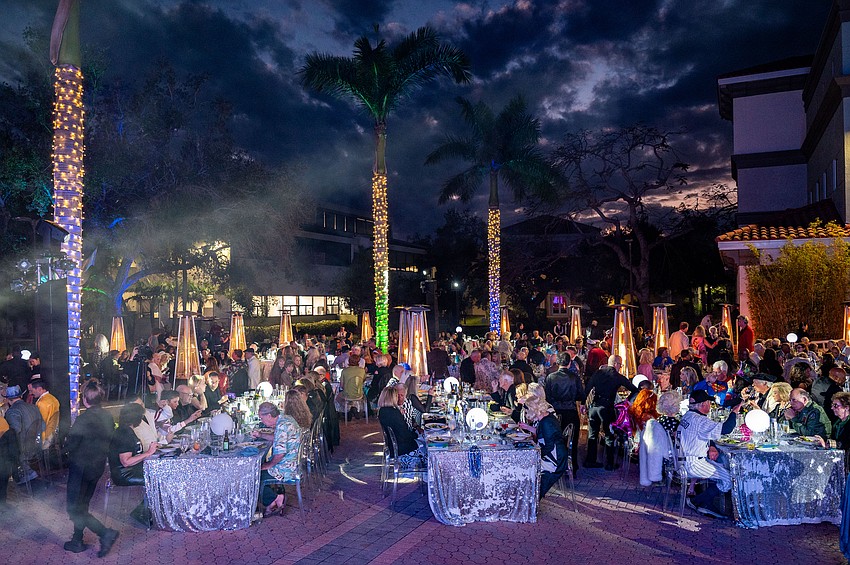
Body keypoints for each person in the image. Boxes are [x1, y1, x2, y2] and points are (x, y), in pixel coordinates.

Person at [64, 380, 119, 557]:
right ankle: (77, 540)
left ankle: (104, 533)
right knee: (82, 505)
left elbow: (71, 444)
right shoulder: (107, 416)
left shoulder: (84, 419)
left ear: (85, 399)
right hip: (97, 466)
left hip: (81, 467)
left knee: (74, 508)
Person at [680, 389, 742, 518]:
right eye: (709, 402)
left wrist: (712, 446)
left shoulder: (688, 416)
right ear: (703, 405)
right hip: (693, 463)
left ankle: (702, 501)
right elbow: (726, 429)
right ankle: (702, 502)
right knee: (730, 480)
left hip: (683, 460)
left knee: (723, 470)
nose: (710, 405)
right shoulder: (700, 420)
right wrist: (734, 412)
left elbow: (703, 434)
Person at [584, 355, 637, 470]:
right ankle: (609, 463)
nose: (620, 367)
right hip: (607, 408)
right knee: (609, 435)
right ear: (616, 364)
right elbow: (635, 389)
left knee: (592, 434)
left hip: (594, 406)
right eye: (620, 365)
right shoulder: (618, 376)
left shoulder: (598, 373)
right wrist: (627, 401)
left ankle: (590, 461)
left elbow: (587, 388)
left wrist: (584, 404)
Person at [251, 402, 303, 517]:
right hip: (294, 462)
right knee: (260, 469)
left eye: (261, 418)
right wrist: (261, 435)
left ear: (269, 416)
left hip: (287, 468)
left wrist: (268, 465)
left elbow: (280, 454)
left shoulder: (281, 426)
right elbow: (278, 439)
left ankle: (275, 499)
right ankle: (274, 500)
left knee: (253, 475)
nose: (261, 421)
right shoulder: (285, 418)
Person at [520, 388, 567, 498]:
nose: (526, 414)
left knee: (525, 468)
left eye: (527, 411)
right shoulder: (546, 418)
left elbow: (549, 447)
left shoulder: (546, 422)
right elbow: (544, 435)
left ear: (533, 410)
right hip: (554, 455)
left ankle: (528, 500)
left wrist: (535, 456)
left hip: (555, 461)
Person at [543, 352, 585, 475]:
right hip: (570, 412)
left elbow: (547, 396)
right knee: (573, 440)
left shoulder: (551, 377)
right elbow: (581, 395)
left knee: (555, 440)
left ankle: (556, 464)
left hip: (555, 413)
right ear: (569, 363)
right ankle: (573, 466)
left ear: (558, 363)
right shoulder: (574, 377)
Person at [378, 386, 426, 470]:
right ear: (392, 398)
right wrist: (417, 434)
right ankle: (425, 473)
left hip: (392, 446)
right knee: (427, 446)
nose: (398, 398)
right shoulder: (394, 413)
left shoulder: (382, 411)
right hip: (401, 448)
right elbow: (405, 434)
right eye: (396, 396)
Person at [3, 385, 42, 482]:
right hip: (37, 447)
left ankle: (20, 474)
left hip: (23, 451)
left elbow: (13, 435)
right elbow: (43, 427)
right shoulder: (34, 407)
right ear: (20, 396)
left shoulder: (12, 412)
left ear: (8, 399)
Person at [27, 379, 59, 448]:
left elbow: (40, 423)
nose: (31, 393)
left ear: (39, 389)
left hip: (44, 438)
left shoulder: (41, 403)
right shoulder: (54, 399)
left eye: (32, 390)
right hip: (53, 435)